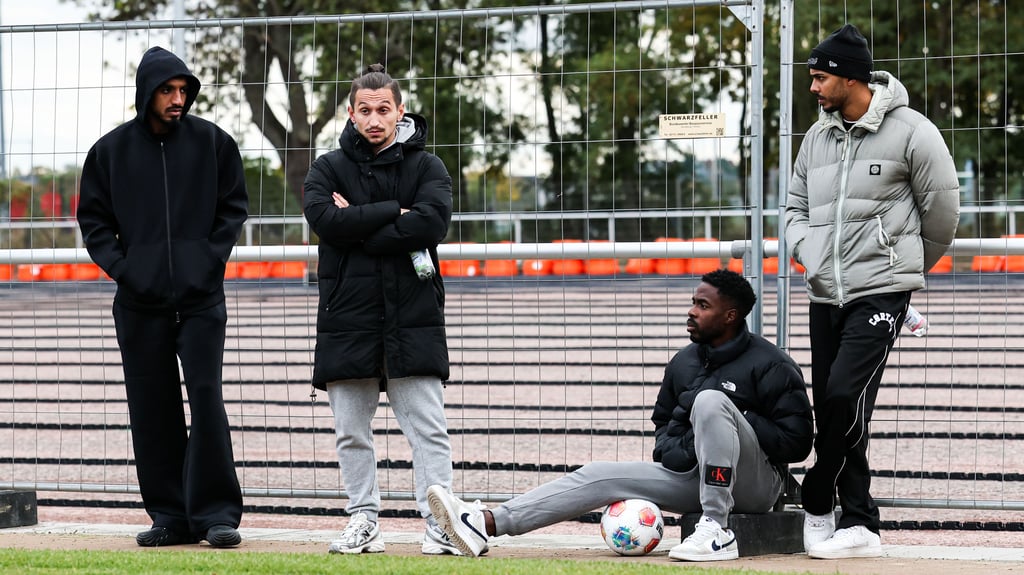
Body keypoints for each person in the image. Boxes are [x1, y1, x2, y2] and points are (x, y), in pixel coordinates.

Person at [426, 269, 813, 562]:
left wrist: (733, 417)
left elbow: (796, 443)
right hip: (694, 475)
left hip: (758, 487)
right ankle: (486, 523)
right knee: (598, 473)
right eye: (693, 302)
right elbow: (664, 426)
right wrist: (680, 449)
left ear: (731, 316)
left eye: (703, 306)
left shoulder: (771, 364)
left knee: (711, 403)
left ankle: (717, 533)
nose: (691, 312)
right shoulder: (684, 361)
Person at [785, 24, 960, 560]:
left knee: (843, 394)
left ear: (848, 77)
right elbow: (793, 210)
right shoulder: (817, 138)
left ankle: (820, 495)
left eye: (819, 78)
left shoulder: (913, 132)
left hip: (881, 292)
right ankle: (859, 523)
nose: (813, 88)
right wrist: (809, 254)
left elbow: (943, 212)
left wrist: (899, 271)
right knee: (837, 403)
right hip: (825, 293)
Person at [76, 46, 248, 548]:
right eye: (168, 91)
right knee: (151, 407)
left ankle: (217, 514)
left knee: (207, 400)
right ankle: (170, 516)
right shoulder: (109, 153)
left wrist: (204, 263)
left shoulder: (214, 144)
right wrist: (129, 272)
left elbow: (232, 210)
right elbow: (94, 223)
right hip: (139, 302)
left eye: (183, 91)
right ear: (146, 93)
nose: (178, 100)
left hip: (201, 300)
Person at [302, 64, 457, 556]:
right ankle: (363, 520)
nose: (374, 118)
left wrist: (358, 223)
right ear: (350, 113)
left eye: (383, 109)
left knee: (428, 430)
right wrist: (395, 211)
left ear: (400, 111)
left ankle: (440, 524)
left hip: (413, 315)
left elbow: (432, 223)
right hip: (348, 318)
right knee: (351, 432)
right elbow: (324, 219)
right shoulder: (326, 168)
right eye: (364, 110)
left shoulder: (428, 166)